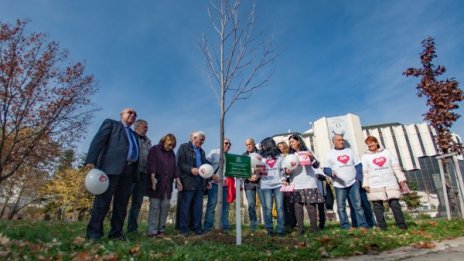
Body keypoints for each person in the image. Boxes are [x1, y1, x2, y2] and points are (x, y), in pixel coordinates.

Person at [85, 108, 139, 241]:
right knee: (102, 202)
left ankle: (116, 233)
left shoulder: (134, 135)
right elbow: (98, 141)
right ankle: (94, 233)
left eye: (135, 114)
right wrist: (91, 160)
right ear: (121, 115)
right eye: (130, 112)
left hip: (128, 172)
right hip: (110, 169)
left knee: (121, 204)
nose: (132, 115)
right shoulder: (111, 124)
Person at [361, 136, 408, 230]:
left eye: (372, 142)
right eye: (368, 144)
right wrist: (365, 184)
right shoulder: (365, 157)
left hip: (390, 181)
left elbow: (396, 167)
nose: (370, 145)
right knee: (377, 206)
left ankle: (402, 225)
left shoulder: (387, 153)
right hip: (374, 183)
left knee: (394, 204)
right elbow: (365, 171)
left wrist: (401, 179)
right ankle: (382, 227)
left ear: (377, 142)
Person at [323, 134, 368, 230]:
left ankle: (361, 225)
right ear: (333, 142)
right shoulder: (329, 154)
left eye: (342, 140)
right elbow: (326, 169)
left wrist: (357, 179)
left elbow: (358, 165)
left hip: (353, 183)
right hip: (339, 184)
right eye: (339, 140)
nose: (341, 141)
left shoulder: (350, 151)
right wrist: (331, 173)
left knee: (357, 205)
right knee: (341, 207)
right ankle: (345, 227)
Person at [285, 134, 323, 234]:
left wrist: (312, 158)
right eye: (290, 142)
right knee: (298, 206)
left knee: (311, 206)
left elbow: (316, 165)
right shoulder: (290, 156)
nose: (291, 143)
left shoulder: (308, 152)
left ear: (299, 141)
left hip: (309, 182)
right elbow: (286, 171)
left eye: (292, 141)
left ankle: (314, 229)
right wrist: (287, 172)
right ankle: (301, 229)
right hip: (296, 183)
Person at [146, 133, 182, 236]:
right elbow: (151, 163)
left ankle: (161, 229)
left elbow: (175, 168)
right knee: (154, 206)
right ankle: (152, 230)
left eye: (172, 146)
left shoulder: (172, 154)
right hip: (156, 183)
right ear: (164, 141)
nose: (170, 147)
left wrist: (178, 180)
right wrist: (152, 177)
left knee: (165, 206)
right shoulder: (155, 149)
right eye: (169, 144)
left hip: (167, 185)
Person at [177, 131, 209, 236]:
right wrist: (191, 169)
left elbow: (205, 167)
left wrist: (208, 179)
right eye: (200, 140)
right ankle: (184, 229)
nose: (202, 142)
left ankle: (197, 228)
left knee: (198, 206)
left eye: (203, 140)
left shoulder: (202, 152)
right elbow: (179, 163)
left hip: (200, 182)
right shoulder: (184, 147)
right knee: (185, 206)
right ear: (193, 138)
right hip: (187, 181)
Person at [127, 119, 152, 234]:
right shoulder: (130, 136)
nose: (146, 129)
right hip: (130, 173)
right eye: (144, 127)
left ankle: (132, 228)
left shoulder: (148, 141)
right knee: (123, 200)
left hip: (143, 175)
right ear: (137, 126)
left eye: (147, 127)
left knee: (137, 202)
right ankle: (117, 228)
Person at [258, 137, 285, 236]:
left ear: (269, 145)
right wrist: (258, 172)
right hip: (265, 185)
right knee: (268, 208)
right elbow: (259, 171)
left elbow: (282, 170)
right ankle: (269, 230)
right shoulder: (261, 157)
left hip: (278, 184)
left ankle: (280, 230)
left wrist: (284, 179)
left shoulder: (280, 157)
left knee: (279, 207)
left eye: (264, 145)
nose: (263, 147)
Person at [204, 138, 232, 232]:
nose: (228, 145)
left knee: (225, 207)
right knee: (212, 205)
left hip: (226, 185)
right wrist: (212, 176)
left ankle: (225, 227)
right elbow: (206, 165)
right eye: (226, 143)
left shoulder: (230, 156)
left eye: (229, 144)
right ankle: (208, 227)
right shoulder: (213, 152)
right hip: (215, 184)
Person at [243, 138, 264, 230]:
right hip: (248, 184)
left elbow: (265, 166)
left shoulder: (261, 154)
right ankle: (253, 225)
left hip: (261, 182)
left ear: (254, 144)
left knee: (264, 203)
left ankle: (267, 224)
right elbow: (242, 170)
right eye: (246, 144)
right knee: (251, 205)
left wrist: (259, 175)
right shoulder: (243, 156)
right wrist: (248, 177)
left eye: (250, 144)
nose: (248, 146)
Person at [277, 141, 297, 232]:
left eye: (280, 146)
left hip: (290, 181)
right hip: (282, 182)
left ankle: (293, 223)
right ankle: (286, 223)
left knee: (291, 203)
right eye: (278, 147)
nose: (278, 148)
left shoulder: (290, 156)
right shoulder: (278, 158)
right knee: (283, 203)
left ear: (285, 147)